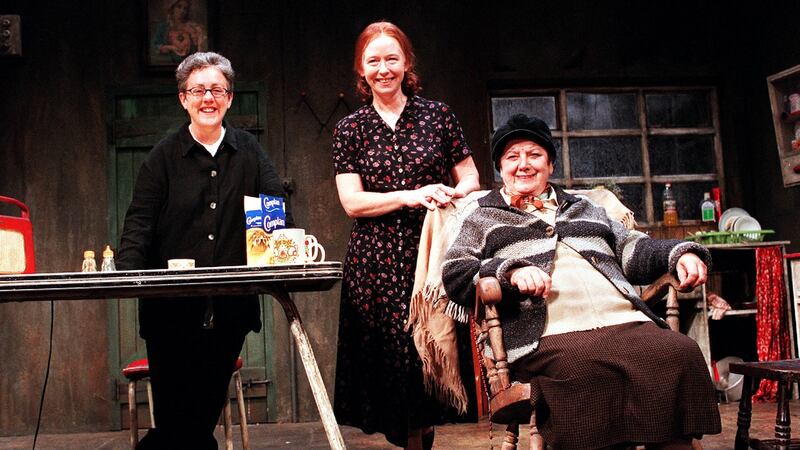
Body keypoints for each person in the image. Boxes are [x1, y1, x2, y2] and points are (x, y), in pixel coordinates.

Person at [441, 114, 721, 449]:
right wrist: (508, 272)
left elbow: (633, 247)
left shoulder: (585, 209)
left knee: (678, 352)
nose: (523, 165)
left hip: (621, 318)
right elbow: (456, 273)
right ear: (500, 168)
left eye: (534, 155)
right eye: (512, 157)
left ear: (551, 164)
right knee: (582, 368)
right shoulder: (483, 216)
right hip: (545, 332)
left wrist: (681, 253)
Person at [117, 51, 291, 449]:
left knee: (197, 417)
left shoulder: (248, 150)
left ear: (230, 98)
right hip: (169, 313)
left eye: (217, 89)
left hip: (229, 310)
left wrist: (282, 249)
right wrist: (127, 273)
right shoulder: (162, 157)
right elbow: (139, 221)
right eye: (198, 90)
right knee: (181, 417)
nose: (207, 98)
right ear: (183, 98)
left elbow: (276, 207)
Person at [332, 21, 480, 450]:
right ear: (361, 69)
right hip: (374, 264)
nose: (383, 69)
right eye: (373, 60)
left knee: (425, 362)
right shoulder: (351, 129)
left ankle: (420, 439)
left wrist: (450, 194)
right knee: (391, 370)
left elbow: (469, 176)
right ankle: (412, 438)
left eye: (391, 59)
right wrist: (412, 194)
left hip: (430, 255)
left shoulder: (438, 115)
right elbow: (352, 202)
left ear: (406, 63)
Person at [151, 0, 206, 64]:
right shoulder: (163, 27)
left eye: (185, 8)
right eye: (179, 6)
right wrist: (171, 48)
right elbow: (154, 48)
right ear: (172, 8)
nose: (182, 11)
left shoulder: (193, 27)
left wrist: (197, 37)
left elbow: (199, 52)